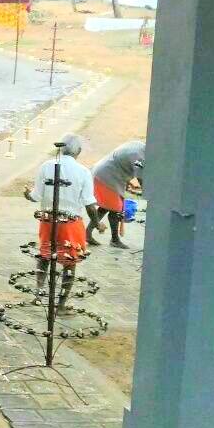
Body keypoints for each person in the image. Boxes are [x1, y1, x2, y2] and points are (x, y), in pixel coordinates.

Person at [22, 134, 97, 314]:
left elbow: (35, 196)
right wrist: (96, 223)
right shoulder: (84, 172)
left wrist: (26, 194)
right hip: (71, 223)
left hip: (47, 220)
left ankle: (38, 294)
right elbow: (89, 204)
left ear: (61, 148)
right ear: (78, 151)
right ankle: (61, 306)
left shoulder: (46, 166)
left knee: (45, 255)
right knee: (69, 262)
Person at [91, 140, 145, 249]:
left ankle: (87, 233)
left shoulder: (138, 145)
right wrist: (147, 192)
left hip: (105, 172)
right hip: (108, 176)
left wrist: (128, 181)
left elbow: (122, 161)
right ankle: (115, 240)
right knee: (115, 209)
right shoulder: (140, 157)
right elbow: (141, 178)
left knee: (106, 207)